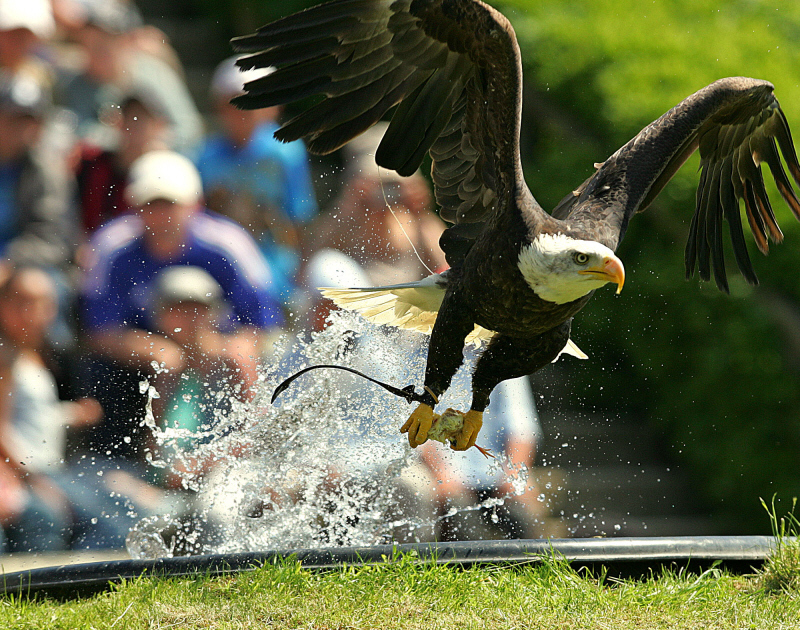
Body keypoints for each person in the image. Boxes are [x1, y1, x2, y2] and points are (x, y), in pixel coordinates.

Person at [79, 149, 284, 471]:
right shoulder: (112, 248)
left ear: (194, 205)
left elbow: (262, 323)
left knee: (244, 361)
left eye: (170, 204)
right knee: (106, 374)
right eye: (151, 205)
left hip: (219, 349)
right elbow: (98, 332)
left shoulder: (227, 245)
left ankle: (256, 450)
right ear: (135, 206)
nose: (161, 215)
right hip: (142, 360)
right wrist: (158, 351)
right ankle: (129, 462)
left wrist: (220, 349)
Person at [0, 266, 141, 550]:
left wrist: (70, 414)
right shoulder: (5, 356)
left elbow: (26, 418)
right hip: (32, 473)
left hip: (48, 469)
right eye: (24, 302)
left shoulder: (32, 354)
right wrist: (32, 478)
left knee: (118, 508)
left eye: (44, 303)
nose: (34, 312)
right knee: (109, 527)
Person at [196, 56, 319, 307]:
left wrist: (302, 268)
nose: (243, 110)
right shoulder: (204, 156)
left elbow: (300, 220)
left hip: (275, 265)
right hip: (217, 262)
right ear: (219, 106)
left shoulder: (286, 153)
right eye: (234, 101)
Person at [55, 0, 202, 153]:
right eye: (93, 39)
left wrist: (156, 143)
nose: (99, 47)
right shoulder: (74, 83)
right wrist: (124, 139)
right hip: (105, 167)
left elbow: (189, 129)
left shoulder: (153, 74)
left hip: (151, 158)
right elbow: (74, 132)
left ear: (127, 41)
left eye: (109, 39)